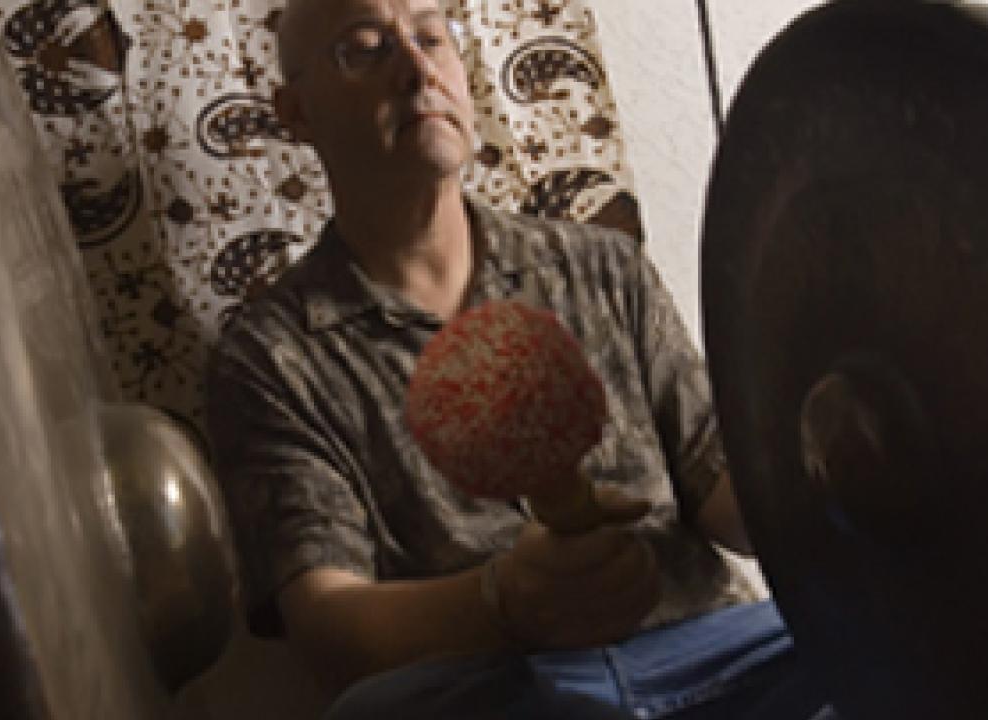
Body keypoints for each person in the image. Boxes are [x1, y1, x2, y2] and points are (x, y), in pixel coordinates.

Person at [207, 0, 834, 717]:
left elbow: (723, 492)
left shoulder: (602, 267)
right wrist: (502, 601)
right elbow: (328, 628)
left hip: (711, 655)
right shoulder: (270, 356)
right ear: (296, 113)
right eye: (366, 48)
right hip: (499, 689)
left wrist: (825, 466)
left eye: (431, 37)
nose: (417, 70)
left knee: (873, 639)